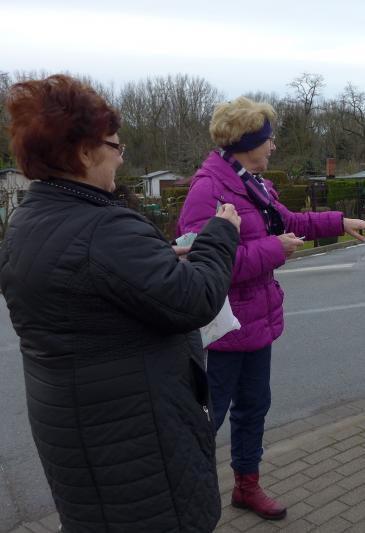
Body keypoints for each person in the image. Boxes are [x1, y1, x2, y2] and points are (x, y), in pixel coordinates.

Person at [0, 74, 241, 533]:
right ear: (84, 151)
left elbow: (91, 286)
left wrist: (155, 259)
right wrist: (221, 233)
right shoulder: (104, 229)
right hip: (137, 444)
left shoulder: (27, 220)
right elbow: (195, 299)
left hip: (80, 432)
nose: (121, 157)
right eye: (115, 146)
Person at [177, 96, 365, 520]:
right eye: (267, 139)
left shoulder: (254, 183)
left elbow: (290, 222)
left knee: (254, 409)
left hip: (257, 325)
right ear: (246, 142)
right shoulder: (208, 190)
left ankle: (246, 487)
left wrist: (339, 222)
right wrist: (273, 250)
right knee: (204, 423)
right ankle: (184, 502)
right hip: (222, 332)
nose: (273, 146)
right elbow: (202, 262)